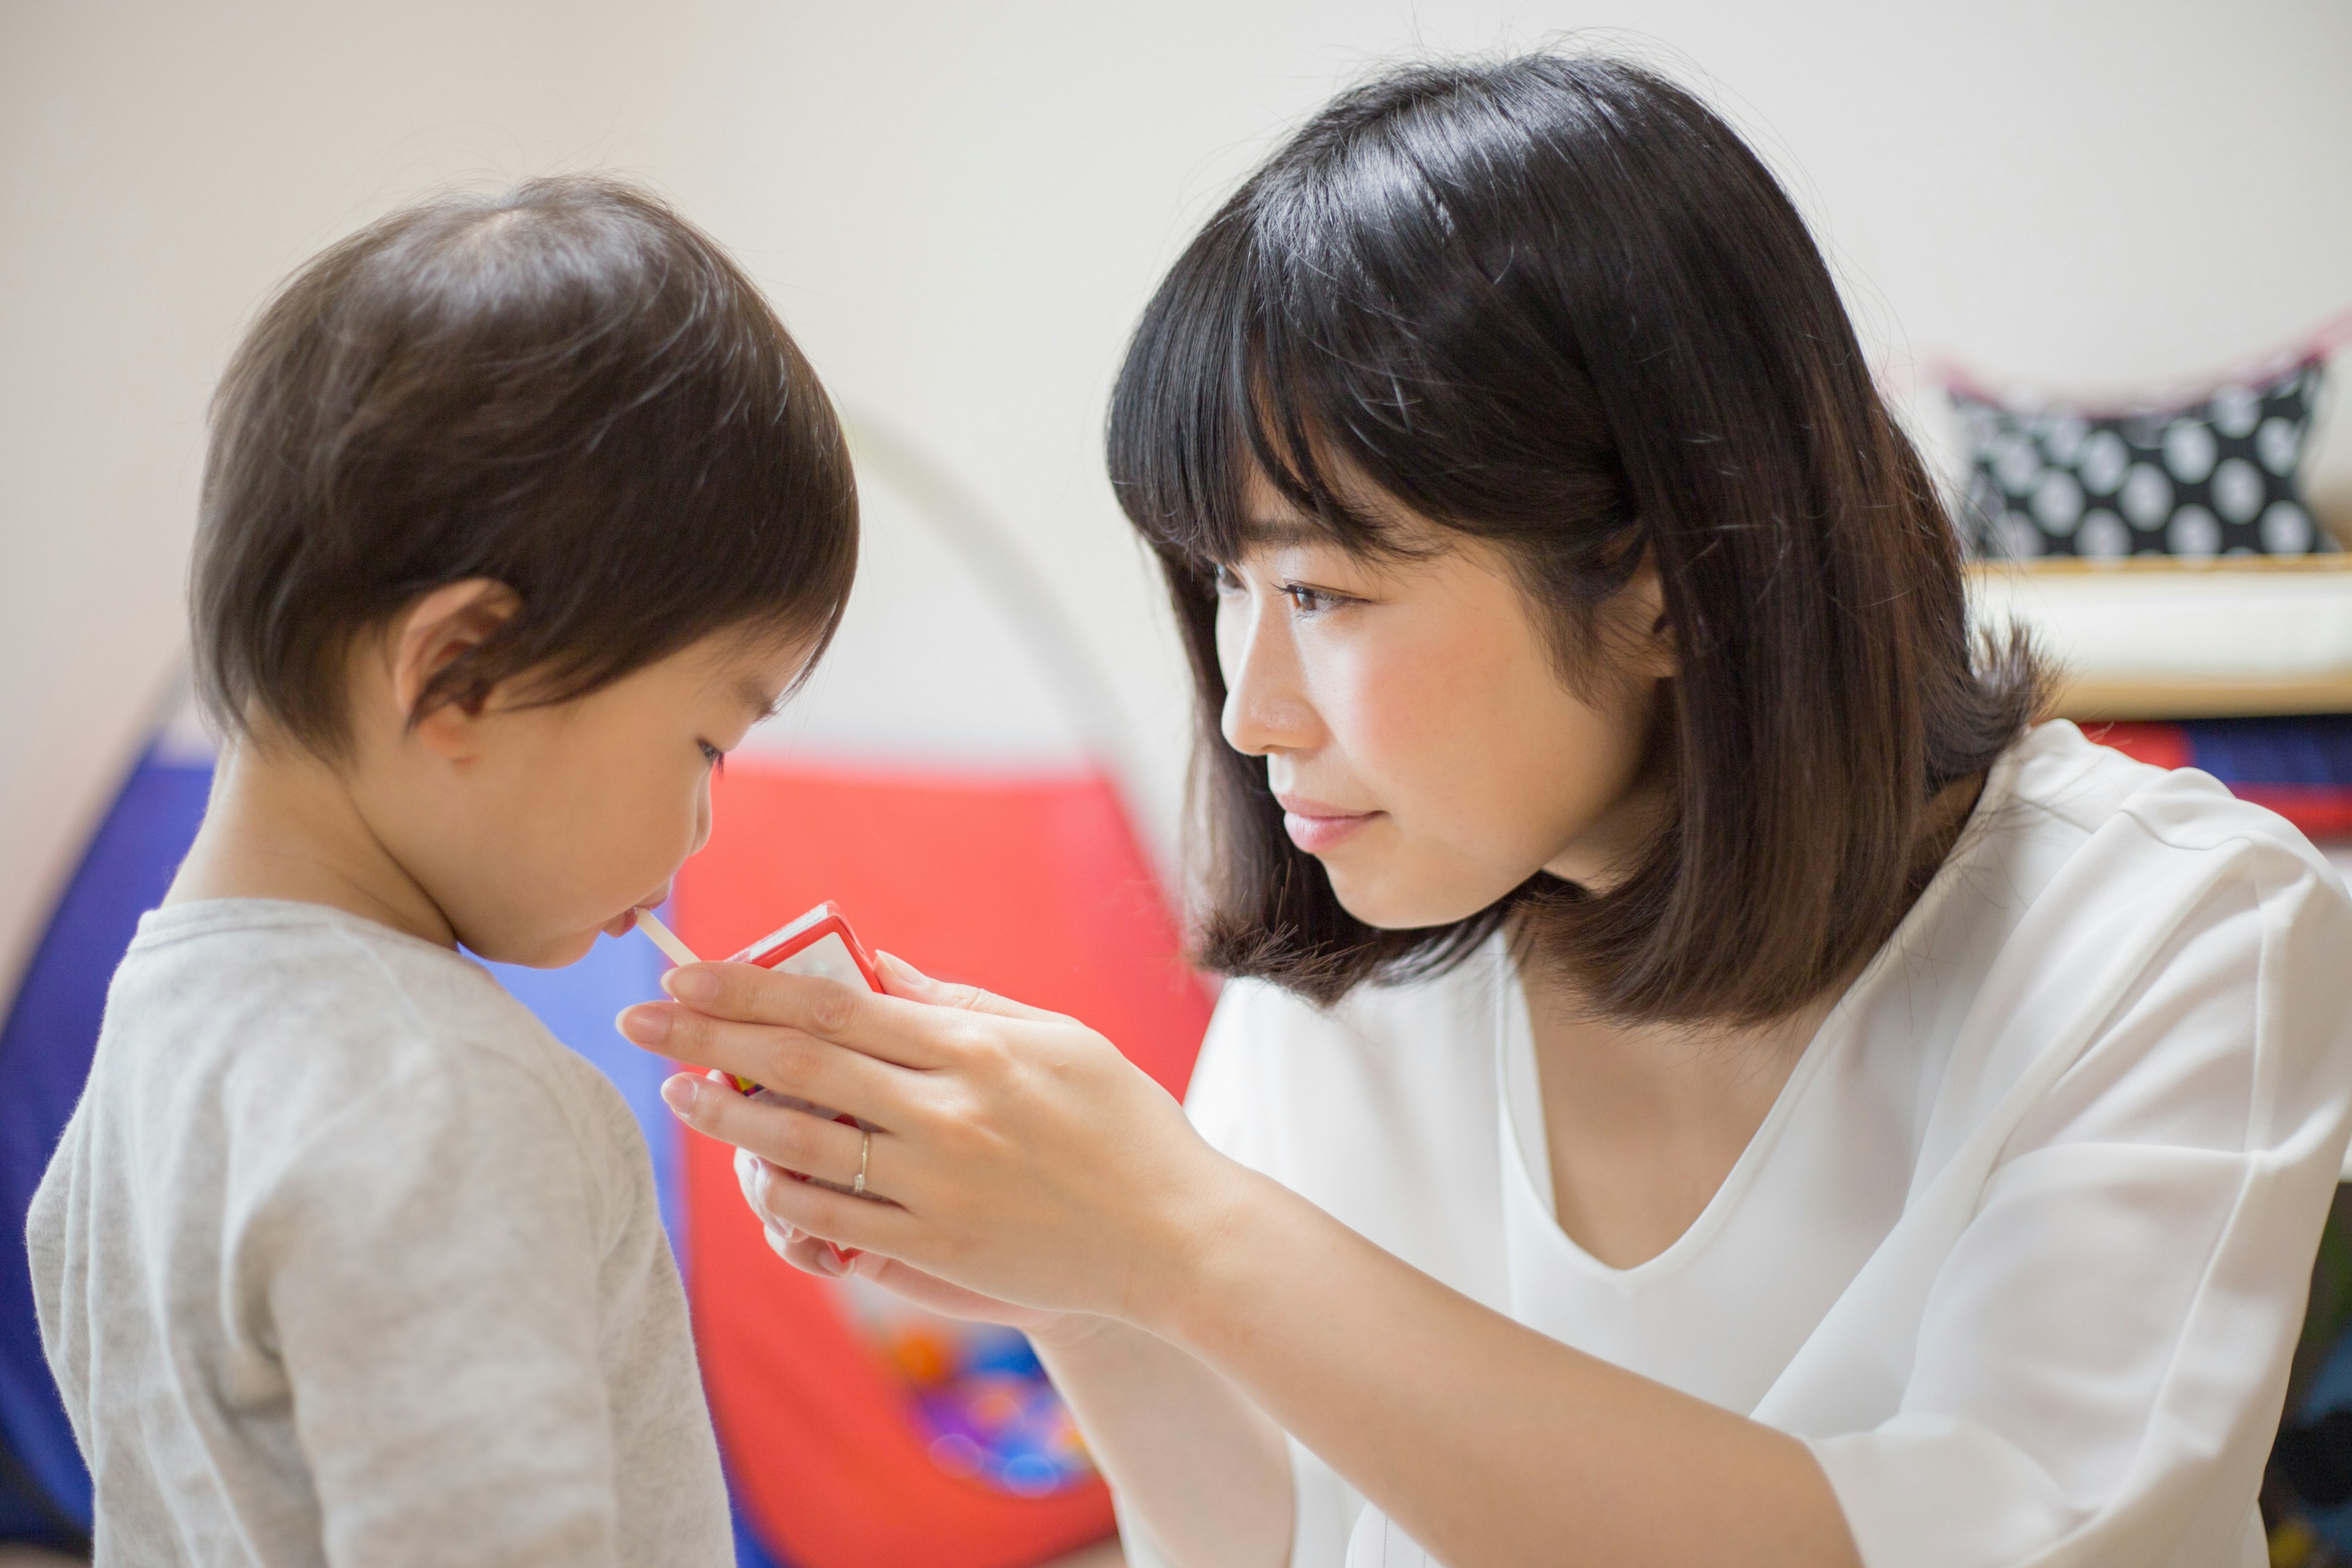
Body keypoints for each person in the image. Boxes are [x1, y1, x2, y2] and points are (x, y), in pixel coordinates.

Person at [623, 53, 2352, 1568]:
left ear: (1674, 580)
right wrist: (1097, 1292)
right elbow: (1268, 1544)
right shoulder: (1368, 975)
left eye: (1327, 595)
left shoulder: (2185, 940)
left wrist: (1184, 1236)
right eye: (1225, 584)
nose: (1244, 704)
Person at [26, 176, 858, 1566]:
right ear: (461, 670)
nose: (705, 823)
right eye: (708, 739)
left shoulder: (146, 1048)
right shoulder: (445, 1094)